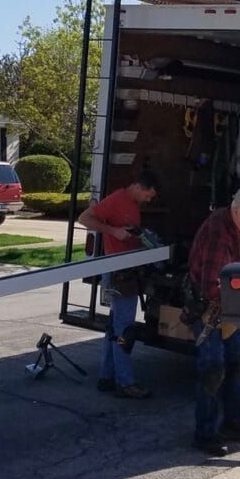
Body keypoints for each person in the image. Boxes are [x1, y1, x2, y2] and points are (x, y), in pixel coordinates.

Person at [186, 188, 240, 456]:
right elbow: (212, 285)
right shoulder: (217, 234)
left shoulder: (235, 228)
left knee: (237, 362)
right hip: (210, 310)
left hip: (227, 309)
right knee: (212, 369)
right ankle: (205, 434)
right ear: (236, 211)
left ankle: (234, 422)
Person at [78, 170, 160, 399]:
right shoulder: (116, 199)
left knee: (114, 327)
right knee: (125, 330)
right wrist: (113, 231)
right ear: (138, 187)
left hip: (126, 269)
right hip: (117, 272)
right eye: (148, 195)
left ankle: (106, 377)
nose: (149, 200)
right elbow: (84, 218)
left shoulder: (132, 204)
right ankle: (125, 383)